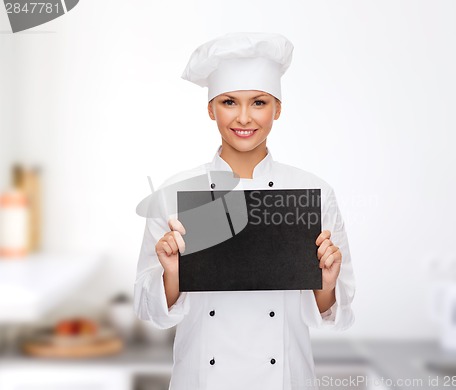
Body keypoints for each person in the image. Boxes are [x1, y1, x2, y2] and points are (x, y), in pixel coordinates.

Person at [134, 32, 355, 390]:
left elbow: (337, 316)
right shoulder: (175, 193)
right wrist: (173, 274)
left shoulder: (313, 193)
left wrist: (326, 284)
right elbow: (148, 311)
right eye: (229, 102)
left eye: (259, 102)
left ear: (278, 109)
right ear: (210, 109)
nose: (244, 118)